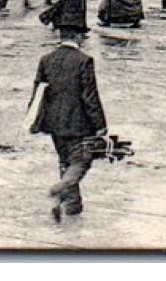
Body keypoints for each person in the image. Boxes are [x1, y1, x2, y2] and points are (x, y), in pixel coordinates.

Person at [30, 27, 108, 223]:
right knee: (81, 161)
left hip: (54, 123)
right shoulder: (84, 60)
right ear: (78, 37)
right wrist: (100, 124)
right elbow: (89, 96)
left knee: (65, 160)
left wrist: (34, 120)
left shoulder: (46, 59)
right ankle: (60, 188)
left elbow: (38, 92)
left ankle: (71, 207)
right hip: (78, 122)